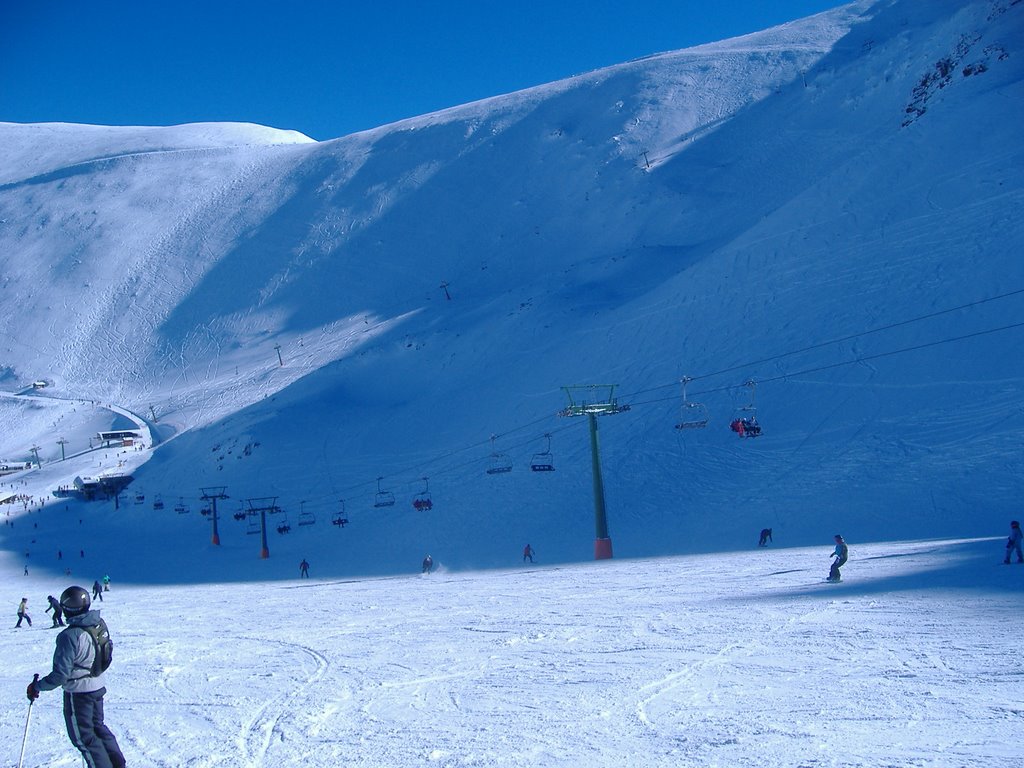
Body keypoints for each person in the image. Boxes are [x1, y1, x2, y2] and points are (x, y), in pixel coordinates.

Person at [27, 585, 125, 768]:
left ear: (66, 608)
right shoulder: (98, 623)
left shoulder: (70, 636)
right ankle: (117, 764)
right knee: (98, 728)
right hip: (97, 686)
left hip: (79, 694)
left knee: (84, 737)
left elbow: (60, 675)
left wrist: (37, 686)